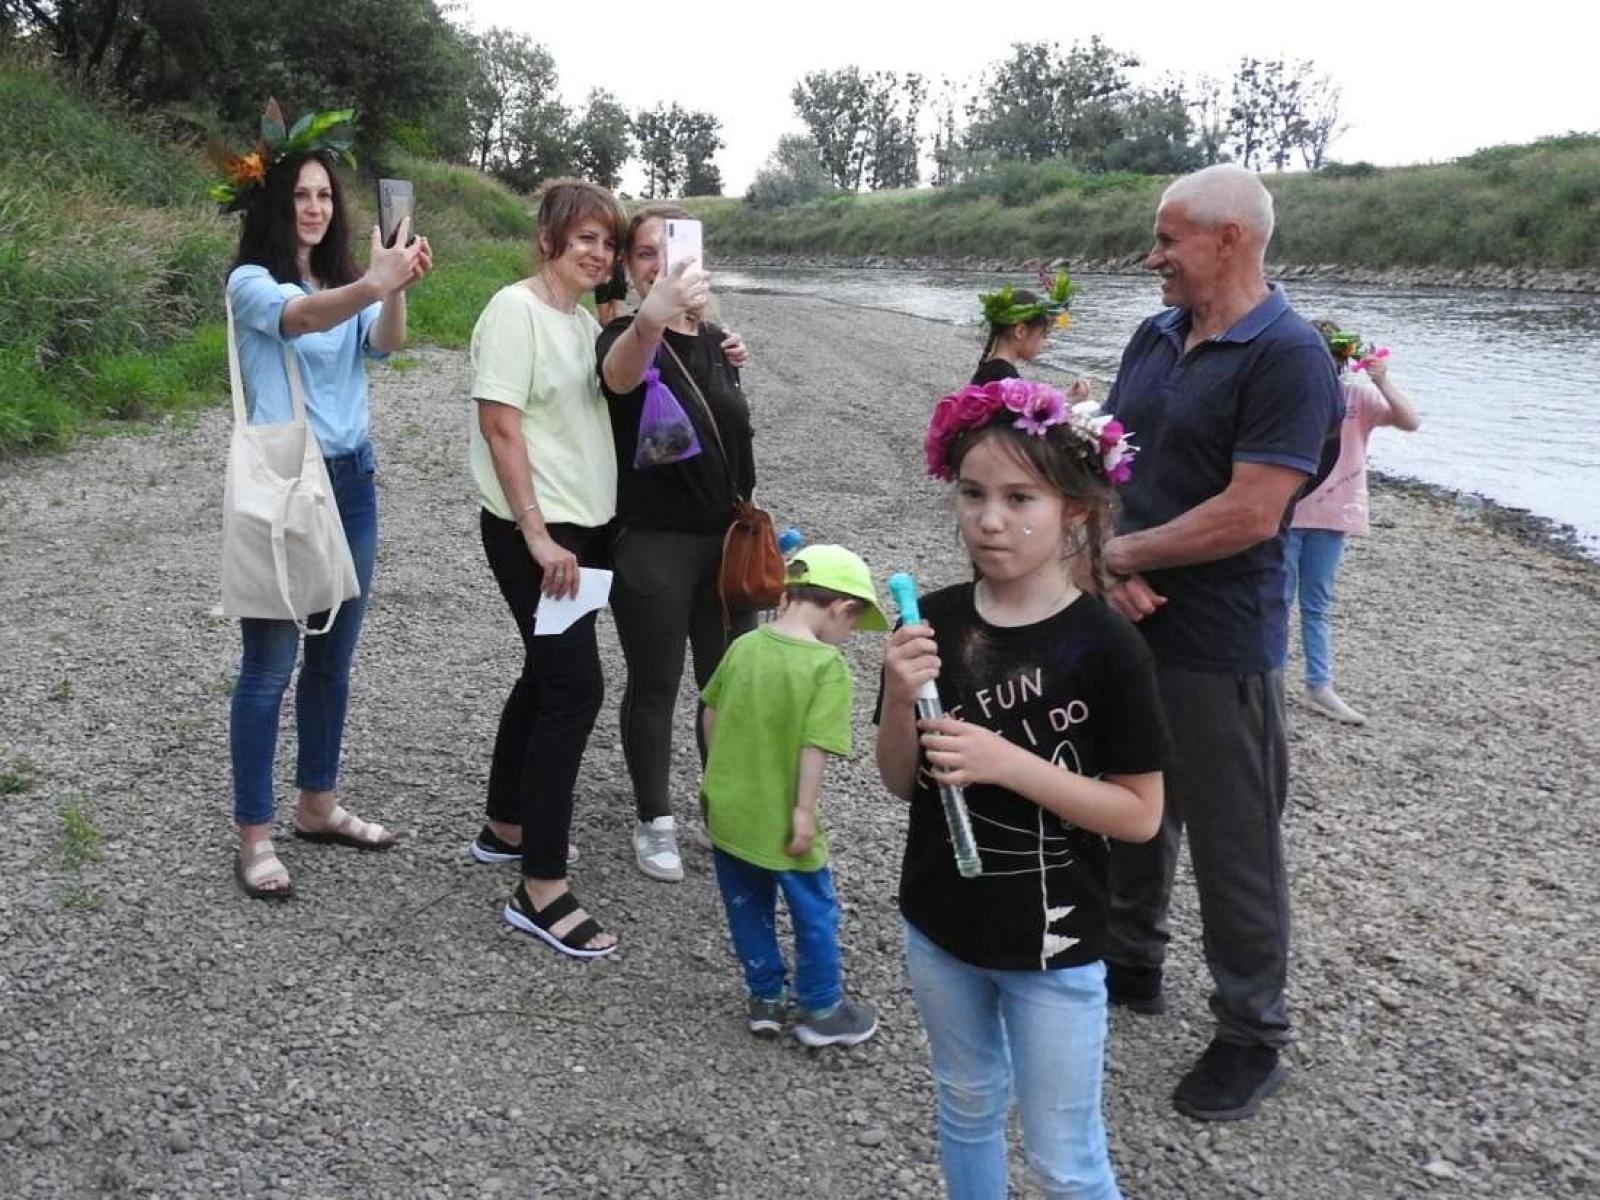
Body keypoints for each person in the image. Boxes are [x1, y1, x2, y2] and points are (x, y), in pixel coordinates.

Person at [878, 378, 1165, 1199]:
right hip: (939, 926)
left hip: (1056, 947)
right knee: (965, 1106)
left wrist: (1010, 764)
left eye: (1018, 497)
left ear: (1075, 510)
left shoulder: (1109, 648)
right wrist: (901, 696)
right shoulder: (928, 622)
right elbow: (901, 781)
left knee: (1064, 1158)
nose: (990, 519)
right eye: (973, 495)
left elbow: (1140, 815)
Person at [1099, 164, 1343, 1121]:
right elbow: (1103, 457)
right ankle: (1132, 961)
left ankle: (1252, 1035)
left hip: (1220, 639)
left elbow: (1251, 511)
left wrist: (1121, 550)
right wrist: (1105, 569)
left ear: (1231, 239)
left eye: (1168, 239)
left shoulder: (1289, 355)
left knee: (1236, 844)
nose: (1151, 256)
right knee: (1129, 798)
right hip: (1127, 616)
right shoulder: (1153, 334)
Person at [220, 107, 432, 901]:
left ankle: (316, 804)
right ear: (275, 206)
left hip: (352, 480)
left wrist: (395, 284)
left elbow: (386, 343)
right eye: (300, 195)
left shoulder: (349, 282)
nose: (314, 207)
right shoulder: (250, 284)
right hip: (282, 486)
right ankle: (254, 833)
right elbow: (300, 318)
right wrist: (370, 284)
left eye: (322, 196)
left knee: (333, 661)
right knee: (269, 667)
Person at [465, 179, 627, 958]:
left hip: (586, 530)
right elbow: (500, 427)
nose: (599, 253)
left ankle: (505, 823)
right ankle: (541, 888)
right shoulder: (514, 309)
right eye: (585, 238)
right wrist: (536, 535)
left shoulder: (583, 321)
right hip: (542, 534)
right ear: (548, 239)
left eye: (609, 242)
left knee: (543, 675)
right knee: (575, 688)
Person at [598, 204, 754, 883]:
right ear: (629, 268)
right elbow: (621, 379)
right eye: (644, 254)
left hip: (727, 546)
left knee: (725, 687)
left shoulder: (720, 342)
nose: (659, 264)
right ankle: (654, 819)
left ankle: (723, 806)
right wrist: (652, 315)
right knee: (656, 685)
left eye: (673, 249)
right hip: (654, 546)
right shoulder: (622, 337)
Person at [701, 545, 888, 1045]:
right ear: (841, 608)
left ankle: (765, 998)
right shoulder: (826, 667)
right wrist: (804, 811)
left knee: (747, 906)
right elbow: (815, 746)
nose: (846, 638)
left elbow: (710, 713)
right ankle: (821, 1007)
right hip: (784, 821)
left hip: (731, 812)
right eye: (851, 626)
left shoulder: (744, 647)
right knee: (814, 911)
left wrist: (721, 774)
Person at [1285, 324, 1421, 724]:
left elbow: (1410, 421)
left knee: (1317, 604)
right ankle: (1269, 681)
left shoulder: (1357, 398)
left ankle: (1319, 685)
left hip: (1332, 514)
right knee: (1275, 599)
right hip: (1286, 513)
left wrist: (1382, 379)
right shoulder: (1290, 394)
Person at [971, 270, 1085, 390]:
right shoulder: (1006, 379)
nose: (1046, 343)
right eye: (1044, 335)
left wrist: (1068, 398)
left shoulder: (989, 369)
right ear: (1020, 331)